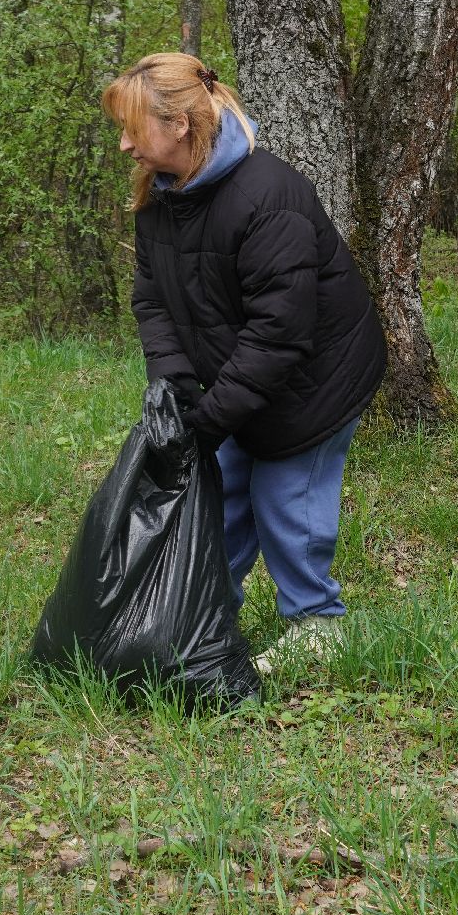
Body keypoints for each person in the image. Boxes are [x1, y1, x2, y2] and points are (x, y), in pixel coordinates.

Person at [101, 52, 387, 675]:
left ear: (179, 124)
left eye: (132, 128)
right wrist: (176, 383)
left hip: (317, 381)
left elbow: (279, 334)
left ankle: (318, 625)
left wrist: (211, 420)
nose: (124, 145)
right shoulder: (161, 198)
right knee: (222, 492)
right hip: (246, 375)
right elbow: (152, 300)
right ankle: (200, 614)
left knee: (286, 499)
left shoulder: (269, 195)